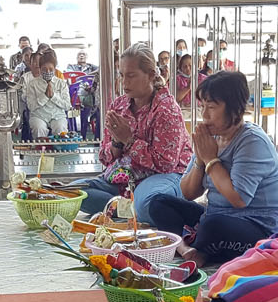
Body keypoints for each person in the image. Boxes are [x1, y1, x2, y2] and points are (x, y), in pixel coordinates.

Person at [145, 71, 278, 267]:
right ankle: (185, 249)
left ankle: (203, 250)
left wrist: (211, 159)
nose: (204, 115)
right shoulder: (212, 136)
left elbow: (238, 199)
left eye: (212, 107)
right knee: (159, 203)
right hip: (216, 213)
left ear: (234, 109)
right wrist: (201, 160)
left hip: (260, 223)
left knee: (213, 227)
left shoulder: (252, 141)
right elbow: (188, 193)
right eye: (202, 107)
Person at [73, 43, 191, 222]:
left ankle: (130, 207)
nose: (124, 82)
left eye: (131, 75)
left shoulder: (167, 109)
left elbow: (166, 164)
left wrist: (129, 140)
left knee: (148, 202)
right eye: (121, 75)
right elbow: (104, 157)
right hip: (126, 177)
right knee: (72, 192)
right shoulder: (119, 106)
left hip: (164, 176)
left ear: (151, 75)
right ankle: (128, 207)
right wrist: (116, 143)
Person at [25, 49, 70, 138]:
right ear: (40, 69)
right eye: (44, 69)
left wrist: (53, 96)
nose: (48, 72)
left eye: (51, 69)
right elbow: (31, 106)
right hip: (39, 116)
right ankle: (41, 146)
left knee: (60, 129)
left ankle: (59, 146)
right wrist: (44, 96)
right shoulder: (33, 84)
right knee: (38, 128)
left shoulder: (61, 83)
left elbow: (67, 105)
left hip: (57, 116)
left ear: (55, 69)